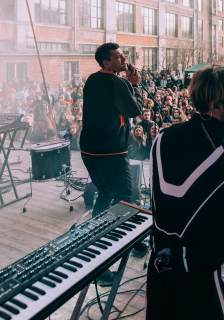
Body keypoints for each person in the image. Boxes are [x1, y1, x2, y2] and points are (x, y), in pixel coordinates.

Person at [147, 64, 224, 320]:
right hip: (206, 282)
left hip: (160, 276)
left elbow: (164, 207)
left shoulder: (161, 139)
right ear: (215, 103)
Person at [80, 43, 145, 286]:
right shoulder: (118, 82)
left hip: (90, 150)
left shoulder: (92, 79)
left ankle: (131, 241)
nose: (124, 58)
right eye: (118, 56)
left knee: (106, 193)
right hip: (111, 152)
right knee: (125, 199)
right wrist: (134, 85)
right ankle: (102, 262)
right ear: (107, 63)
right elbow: (135, 110)